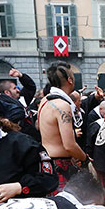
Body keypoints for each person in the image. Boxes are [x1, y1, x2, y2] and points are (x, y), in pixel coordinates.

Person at [37, 62, 86, 192]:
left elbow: (38, 126)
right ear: (70, 80)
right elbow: (69, 145)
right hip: (60, 165)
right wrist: (85, 158)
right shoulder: (62, 106)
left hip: (48, 163)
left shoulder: (45, 100)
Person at [0, 69, 40, 141]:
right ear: (7, 92)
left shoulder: (22, 99)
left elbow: (30, 87)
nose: (18, 90)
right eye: (14, 88)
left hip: (32, 138)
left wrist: (21, 76)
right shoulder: (0, 106)